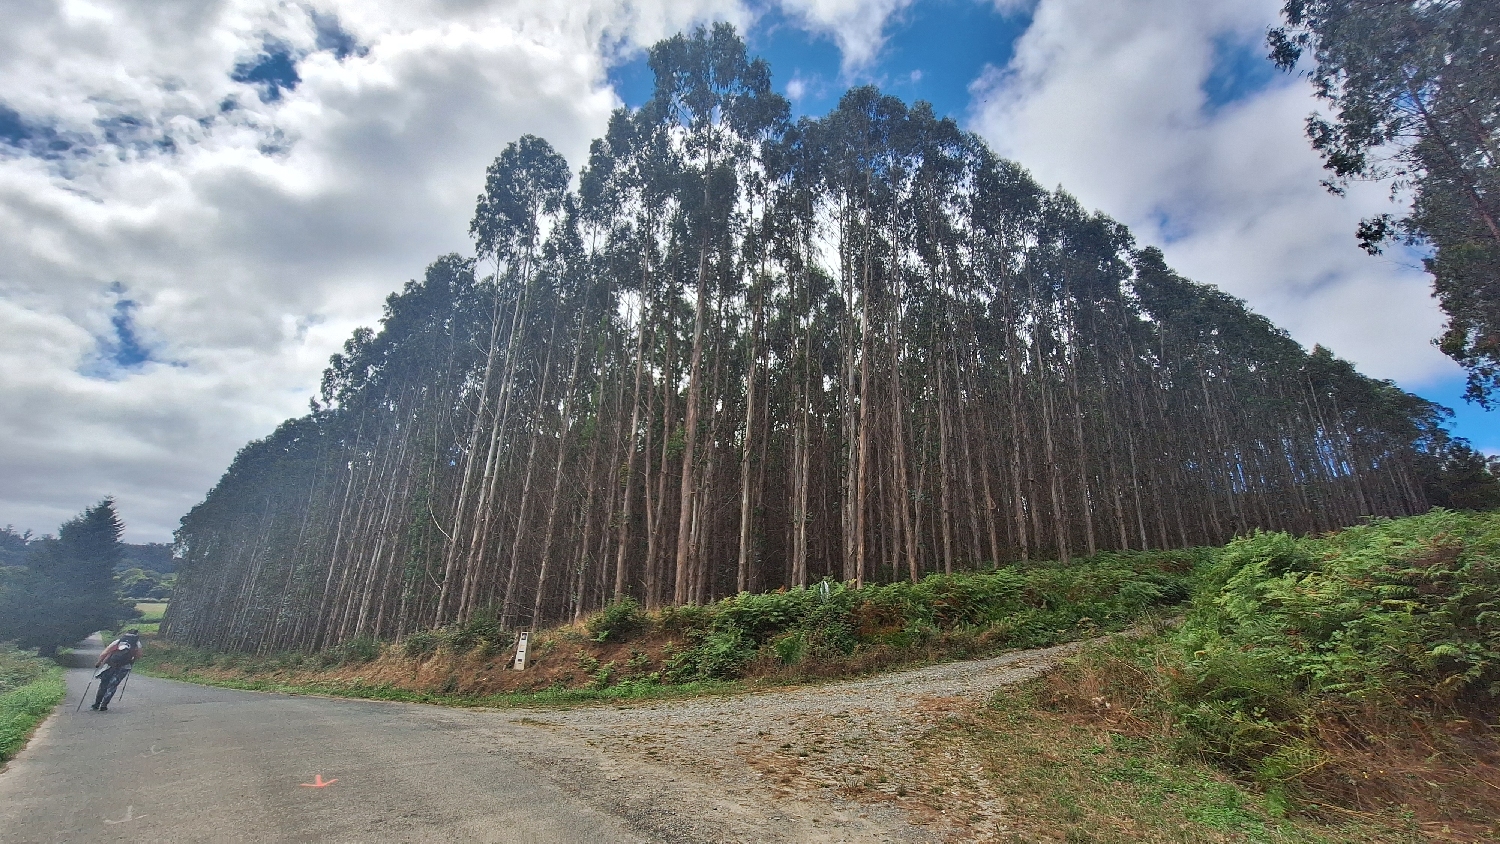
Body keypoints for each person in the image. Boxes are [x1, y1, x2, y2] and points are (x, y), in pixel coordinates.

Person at [92, 629, 142, 712]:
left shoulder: (118, 641)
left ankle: (97, 704)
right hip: (124, 667)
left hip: (110, 665)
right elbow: (139, 655)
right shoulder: (137, 644)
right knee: (113, 686)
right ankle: (104, 705)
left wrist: (98, 663)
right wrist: (131, 659)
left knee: (103, 684)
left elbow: (104, 653)